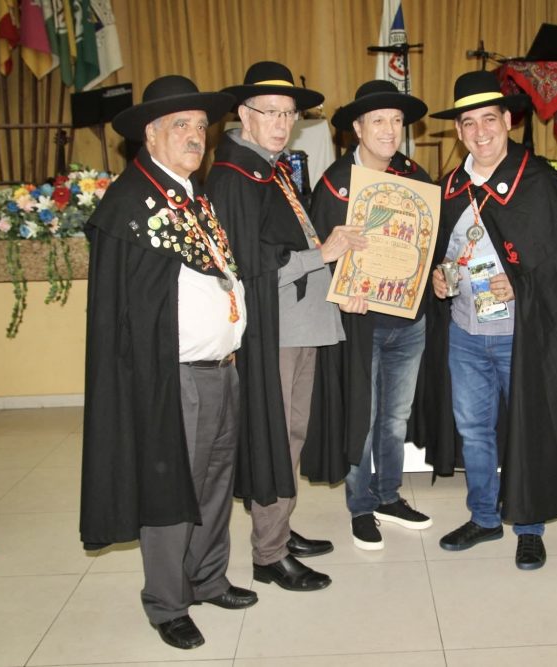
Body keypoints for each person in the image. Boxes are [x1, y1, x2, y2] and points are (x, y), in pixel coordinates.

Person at [80, 76, 255, 651]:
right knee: (171, 489)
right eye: (181, 125)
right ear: (150, 135)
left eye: (201, 126)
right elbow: (129, 309)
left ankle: (206, 578)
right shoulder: (132, 203)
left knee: (215, 483)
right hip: (173, 377)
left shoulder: (192, 197)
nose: (195, 136)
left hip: (221, 367)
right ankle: (166, 602)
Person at [413, 71, 557, 570]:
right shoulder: (449, 188)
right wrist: (437, 278)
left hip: (522, 336)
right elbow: (439, 253)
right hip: (464, 332)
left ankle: (529, 526)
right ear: (459, 131)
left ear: (507, 121)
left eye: (489, 119)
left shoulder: (537, 182)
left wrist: (522, 285)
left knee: (528, 427)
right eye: (469, 122)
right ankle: (483, 516)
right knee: (474, 430)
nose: (480, 132)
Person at [207, 61, 365, 592]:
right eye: (270, 112)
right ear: (243, 114)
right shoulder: (234, 176)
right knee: (276, 437)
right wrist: (324, 253)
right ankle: (269, 554)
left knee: (291, 435)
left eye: (288, 113)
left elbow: (287, 243)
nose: (281, 123)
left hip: (299, 325)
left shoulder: (268, 169)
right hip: (273, 331)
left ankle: (278, 529)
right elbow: (251, 265)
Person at [304, 80, 434, 551]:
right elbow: (319, 257)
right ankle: (361, 505)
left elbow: (428, 242)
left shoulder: (415, 177)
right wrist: (340, 294)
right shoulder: (335, 184)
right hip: (360, 324)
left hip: (409, 321)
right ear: (357, 128)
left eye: (397, 120)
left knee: (396, 417)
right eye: (378, 120)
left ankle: (389, 495)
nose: (389, 129)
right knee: (363, 414)